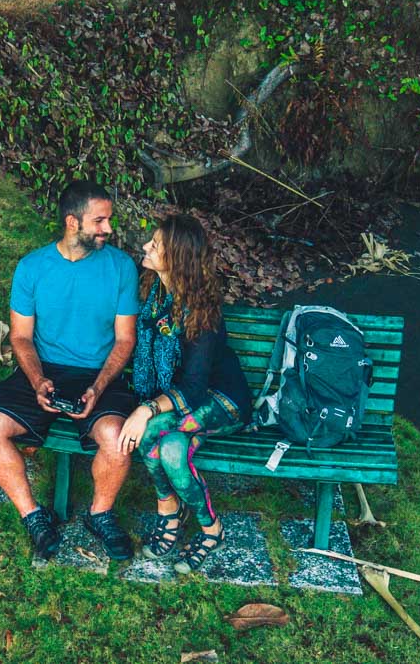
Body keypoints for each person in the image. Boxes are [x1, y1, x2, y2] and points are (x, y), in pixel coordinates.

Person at [0, 180, 140, 561]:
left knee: (116, 437)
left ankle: (100, 514)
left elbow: (125, 340)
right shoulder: (32, 267)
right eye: (100, 221)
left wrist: (98, 387)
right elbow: (20, 337)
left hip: (99, 373)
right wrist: (37, 381)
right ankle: (33, 515)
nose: (108, 230)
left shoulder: (120, 268)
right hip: (44, 368)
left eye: (109, 220)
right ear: (72, 222)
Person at [117, 213, 253, 574]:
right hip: (184, 399)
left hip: (222, 402)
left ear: (176, 257)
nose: (145, 247)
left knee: (171, 447)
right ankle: (170, 512)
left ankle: (211, 530)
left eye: (155, 245)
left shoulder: (202, 312)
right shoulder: (153, 291)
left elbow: (194, 389)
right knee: (164, 443)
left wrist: (145, 408)